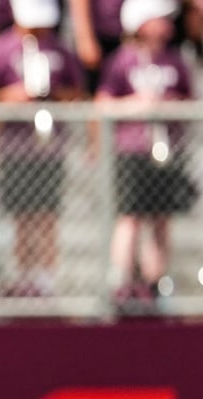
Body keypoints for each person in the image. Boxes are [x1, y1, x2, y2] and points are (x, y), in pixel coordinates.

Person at [0, 0, 85, 297]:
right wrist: (16, 97)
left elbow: (77, 93)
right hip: (14, 147)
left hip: (49, 147)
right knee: (22, 213)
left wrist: (52, 95)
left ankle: (47, 278)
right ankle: (25, 275)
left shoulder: (60, 50)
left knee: (47, 212)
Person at [97, 0, 195, 311]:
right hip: (133, 150)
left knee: (161, 220)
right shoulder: (122, 61)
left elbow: (189, 102)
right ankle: (122, 284)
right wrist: (138, 104)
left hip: (167, 150)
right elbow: (102, 105)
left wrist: (167, 104)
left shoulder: (174, 60)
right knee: (130, 218)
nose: (167, 25)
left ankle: (156, 284)